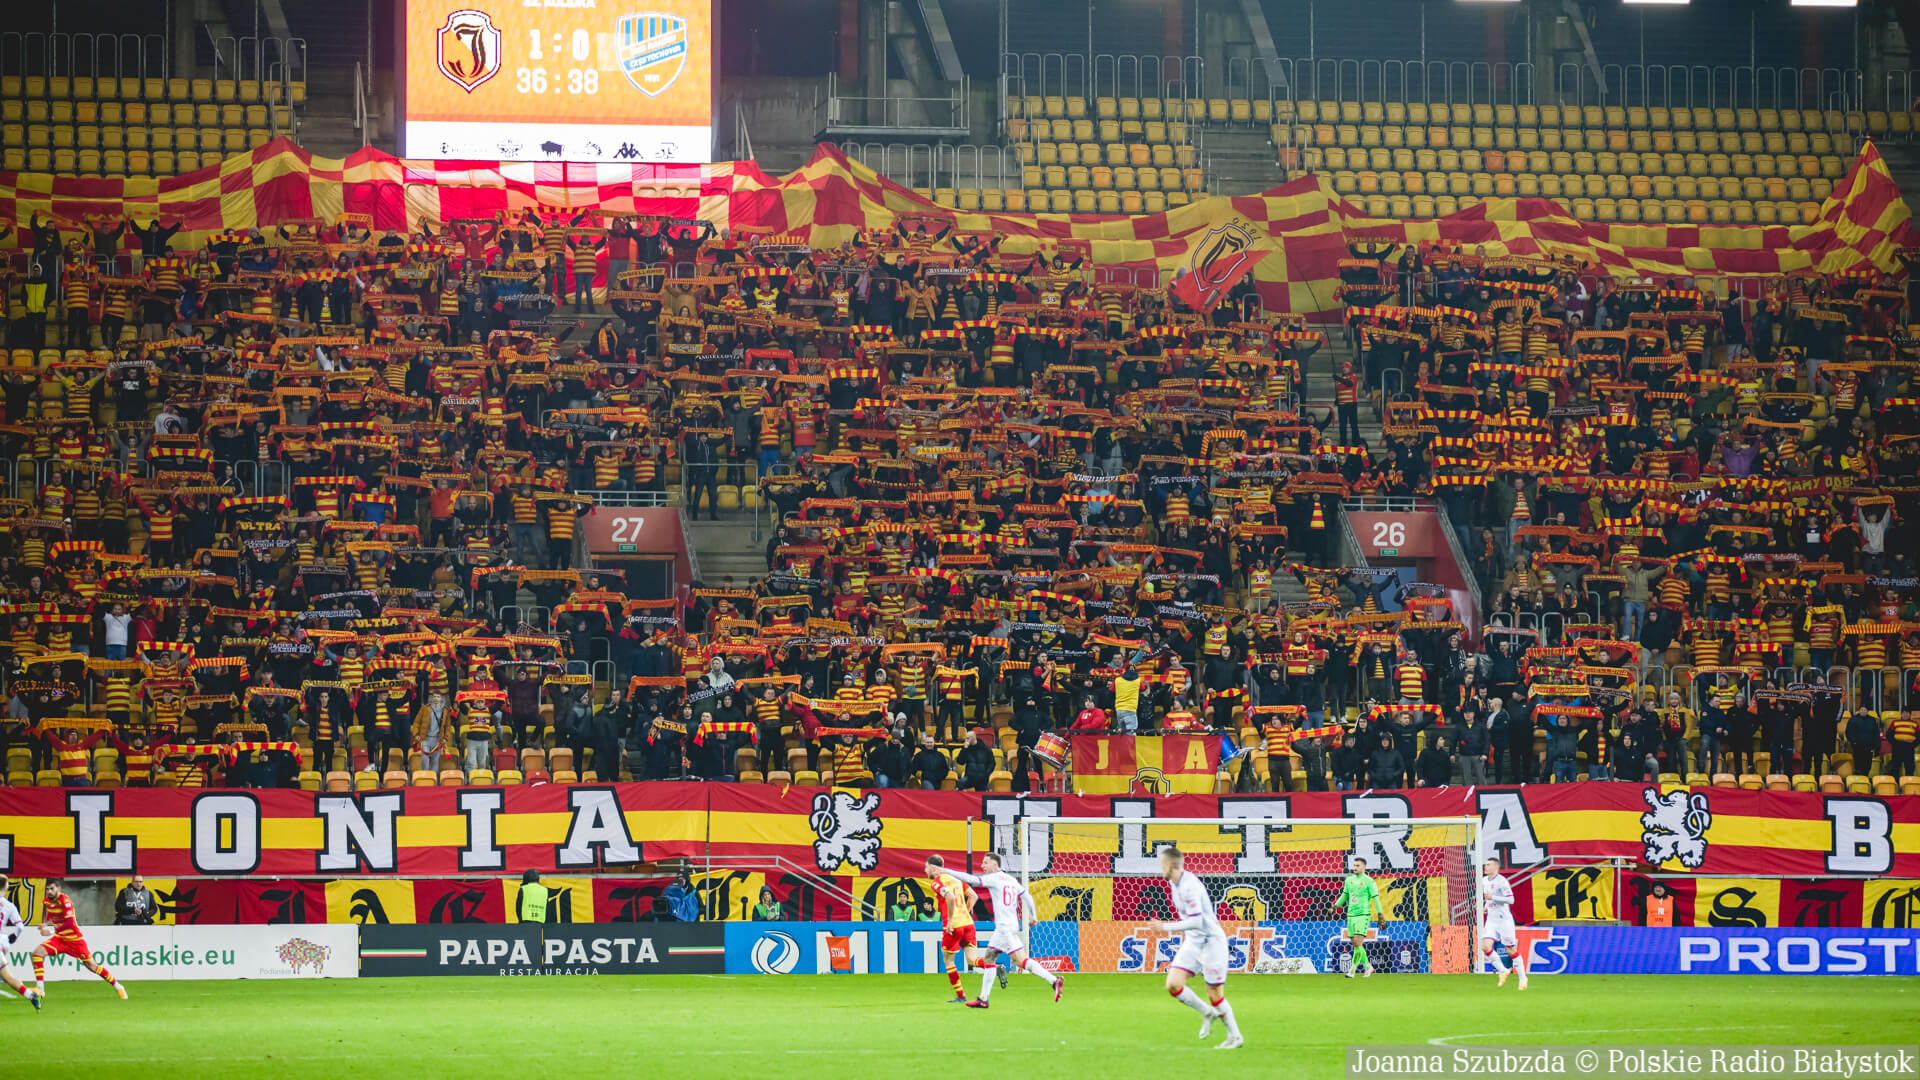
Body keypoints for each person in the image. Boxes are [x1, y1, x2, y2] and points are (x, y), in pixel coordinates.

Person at [936, 852, 1062, 1008]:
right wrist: (1033, 916)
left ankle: (1054, 980)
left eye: (985, 863)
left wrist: (946, 871)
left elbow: (971, 879)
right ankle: (983, 999)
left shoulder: (994, 878)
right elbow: (1027, 897)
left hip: (1005, 929)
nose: (982, 866)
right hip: (1008, 926)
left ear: (995, 865)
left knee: (1020, 961)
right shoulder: (1011, 880)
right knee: (989, 959)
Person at [1150, 843, 1243, 1049]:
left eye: (1162, 864)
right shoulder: (1174, 883)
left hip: (1211, 941)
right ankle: (1207, 1012)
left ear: (1169, 865)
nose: (1160, 868)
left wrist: (1164, 927)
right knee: (1173, 984)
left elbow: (1197, 921)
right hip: (1193, 941)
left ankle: (1235, 1036)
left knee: (1214, 993)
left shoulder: (1189, 887)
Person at [32, 879, 126, 998]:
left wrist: (50, 931)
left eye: (52, 889)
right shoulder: (46, 901)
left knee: (92, 966)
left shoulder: (65, 901)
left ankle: (118, 986)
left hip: (74, 940)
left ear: (58, 889)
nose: (49, 892)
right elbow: (51, 914)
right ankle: (40, 989)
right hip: (59, 939)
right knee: (37, 953)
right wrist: (45, 924)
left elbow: (70, 923)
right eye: (47, 889)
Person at [925, 854, 992, 1005]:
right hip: (968, 924)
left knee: (948, 960)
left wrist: (950, 921)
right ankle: (994, 966)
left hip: (954, 926)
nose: (925, 870)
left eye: (927, 867)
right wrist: (966, 911)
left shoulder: (937, 882)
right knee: (972, 960)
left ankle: (961, 995)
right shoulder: (956, 880)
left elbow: (950, 897)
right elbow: (973, 896)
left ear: (933, 868)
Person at [1333, 855, 1385, 979]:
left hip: (1363, 915)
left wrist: (1380, 916)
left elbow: (1376, 899)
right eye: (1354, 865)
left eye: (1357, 865)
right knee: (1355, 944)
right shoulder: (1349, 880)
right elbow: (1344, 896)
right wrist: (1334, 907)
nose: (1355, 867)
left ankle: (1352, 971)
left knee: (1357, 942)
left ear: (1364, 867)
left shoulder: (1369, 881)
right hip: (1351, 915)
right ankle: (1367, 966)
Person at [1478, 858, 1527, 990]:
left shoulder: (1502, 881)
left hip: (1504, 920)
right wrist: (1486, 906)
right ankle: (1503, 970)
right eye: (1485, 864)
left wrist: (1493, 898)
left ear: (1495, 867)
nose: (1485, 867)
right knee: (1485, 946)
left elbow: (1511, 900)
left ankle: (1523, 978)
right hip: (1491, 920)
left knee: (1510, 950)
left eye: (1488, 865)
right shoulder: (1484, 880)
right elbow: (1488, 898)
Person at [0, 878, 44, 1011]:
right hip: (3, 941)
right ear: (6, 887)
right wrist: (13, 937)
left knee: (6, 976)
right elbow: (20, 926)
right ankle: (31, 995)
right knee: (7, 976)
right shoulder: (9, 905)